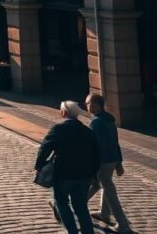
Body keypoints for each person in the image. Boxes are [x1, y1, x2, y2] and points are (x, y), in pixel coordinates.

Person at [36, 101, 100, 234]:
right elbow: (96, 154)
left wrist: (40, 166)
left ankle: (72, 231)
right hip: (84, 175)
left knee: (61, 203)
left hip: (63, 174)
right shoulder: (88, 132)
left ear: (64, 113)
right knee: (81, 207)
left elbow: (44, 148)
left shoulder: (58, 129)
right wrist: (94, 174)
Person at [84, 94, 131, 233]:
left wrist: (91, 163)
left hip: (102, 161)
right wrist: (119, 163)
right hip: (112, 160)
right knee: (102, 185)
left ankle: (123, 226)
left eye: (87, 103)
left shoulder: (95, 122)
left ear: (95, 104)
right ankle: (104, 214)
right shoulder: (109, 119)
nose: (86, 106)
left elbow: (94, 146)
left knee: (109, 191)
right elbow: (115, 142)